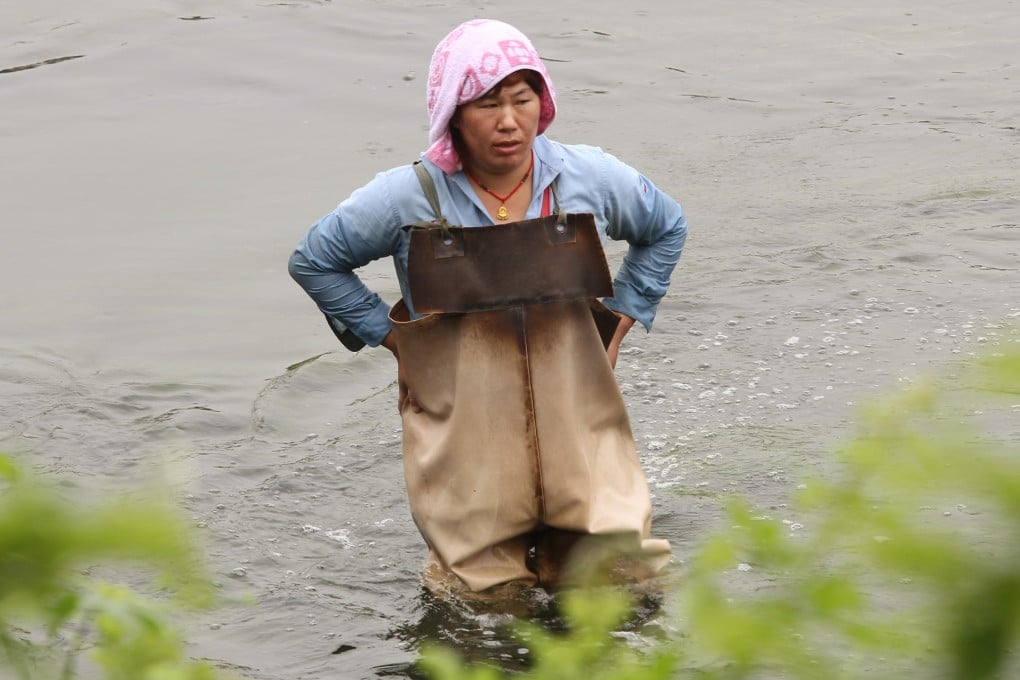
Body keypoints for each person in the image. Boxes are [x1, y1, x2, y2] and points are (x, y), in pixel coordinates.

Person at [288, 19, 688, 596]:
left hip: (579, 415)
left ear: (542, 102)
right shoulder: (410, 196)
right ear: (452, 112)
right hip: (466, 436)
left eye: (522, 99)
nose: (508, 121)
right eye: (486, 103)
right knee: (483, 603)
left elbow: (666, 225)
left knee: (620, 581)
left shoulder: (586, 178)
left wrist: (622, 319)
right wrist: (395, 339)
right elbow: (315, 259)